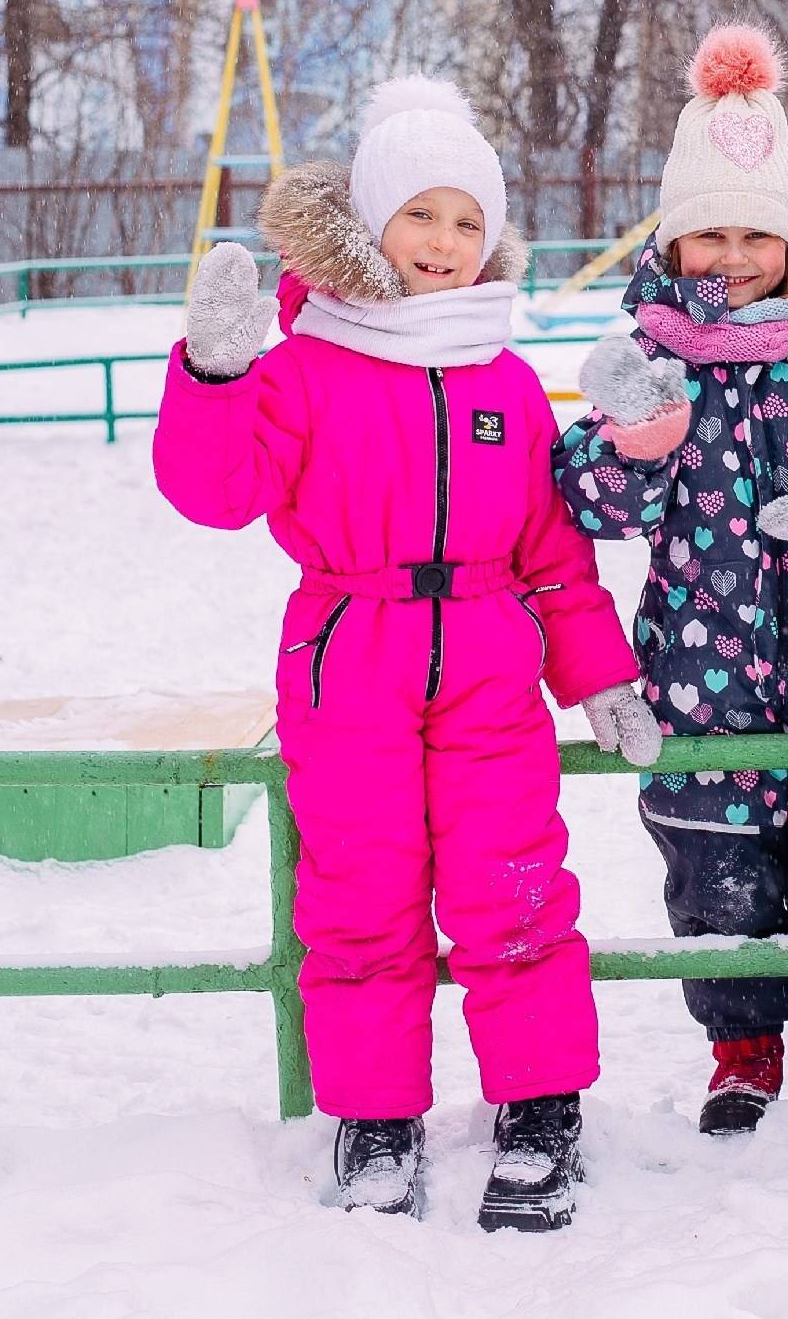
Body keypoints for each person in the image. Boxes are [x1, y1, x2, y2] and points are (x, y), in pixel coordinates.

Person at [153, 78, 657, 1232]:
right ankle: (375, 1117)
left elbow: (549, 550)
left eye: (467, 221)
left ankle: (538, 1107)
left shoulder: (506, 378)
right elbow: (214, 491)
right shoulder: (304, 366)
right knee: (360, 897)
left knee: (514, 884)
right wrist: (217, 376)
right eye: (421, 215)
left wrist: (597, 670)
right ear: (371, 226)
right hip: (349, 652)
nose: (444, 242)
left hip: (487, 655)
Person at [556, 24, 788, 1135]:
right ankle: (741, 1044)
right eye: (708, 235)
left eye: (755, 233)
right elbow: (590, 504)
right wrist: (632, 446)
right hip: (697, 668)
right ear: (672, 242)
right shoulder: (645, 358)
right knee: (714, 874)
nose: (731, 256)